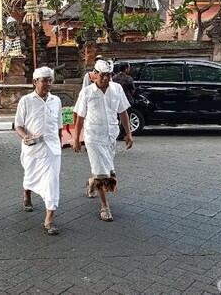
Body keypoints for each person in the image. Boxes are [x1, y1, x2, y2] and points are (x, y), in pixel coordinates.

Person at [73, 59, 134, 222]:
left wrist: (128, 134)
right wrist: (76, 138)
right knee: (103, 170)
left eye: (109, 75)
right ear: (94, 75)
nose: (106, 79)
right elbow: (79, 117)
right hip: (93, 136)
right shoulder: (86, 92)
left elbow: (123, 112)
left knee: (104, 166)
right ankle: (104, 206)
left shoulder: (117, 89)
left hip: (110, 135)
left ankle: (92, 184)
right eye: (103, 75)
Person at [15, 66, 63, 235]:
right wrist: (25, 137)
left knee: (52, 181)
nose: (48, 84)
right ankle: (27, 192)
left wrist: (61, 143)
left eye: (50, 80)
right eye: (44, 80)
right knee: (30, 176)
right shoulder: (26, 101)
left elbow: (58, 126)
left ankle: (49, 218)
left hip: (52, 149)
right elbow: (18, 125)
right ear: (35, 82)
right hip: (32, 148)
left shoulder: (56, 101)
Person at [112, 62, 136, 140]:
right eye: (128, 68)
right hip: (127, 99)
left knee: (117, 117)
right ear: (126, 69)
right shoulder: (129, 78)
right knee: (125, 117)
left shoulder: (114, 78)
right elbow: (132, 90)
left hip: (116, 99)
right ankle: (122, 134)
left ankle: (118, 133)